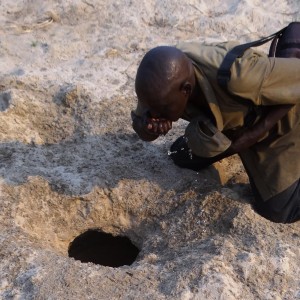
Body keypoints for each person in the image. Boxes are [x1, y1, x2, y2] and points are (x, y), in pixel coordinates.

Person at [131, 40, 300, 224]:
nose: (155, 114)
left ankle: (291, 52)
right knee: (178, 155)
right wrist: (148, 127)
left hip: (276, 118)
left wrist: (253, 134)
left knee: (279, 209)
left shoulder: (241, 77)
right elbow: (142, 128)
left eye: (161, 109)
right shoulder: (158, 86)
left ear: (186, 90)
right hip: (229, 126)